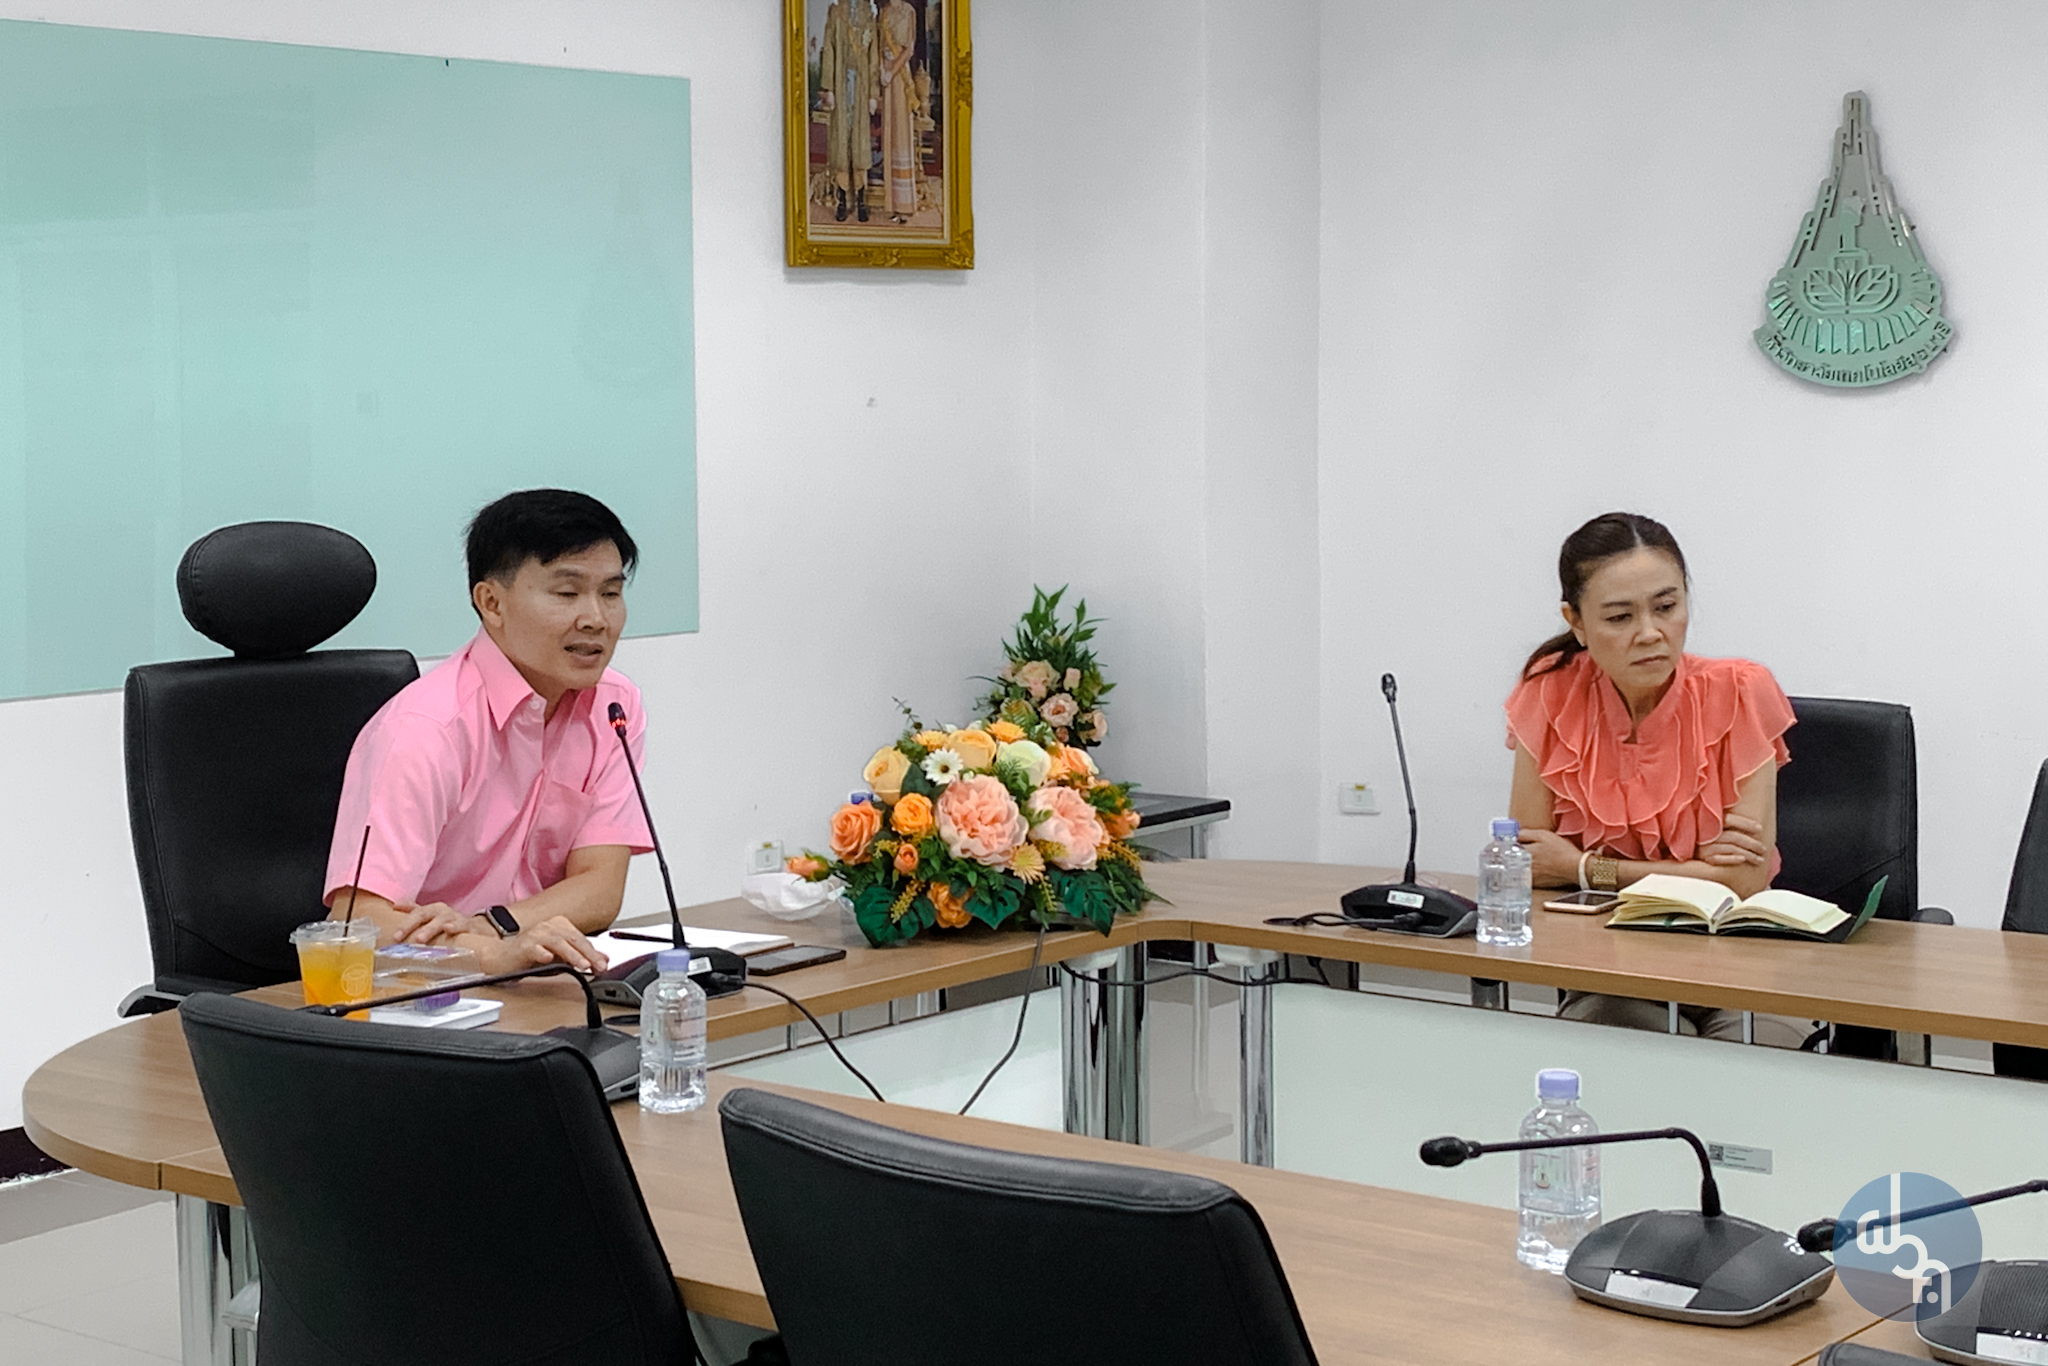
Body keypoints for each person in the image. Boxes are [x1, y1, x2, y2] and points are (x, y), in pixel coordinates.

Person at [1504, 512, 1808, 1046]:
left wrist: (1584, 867)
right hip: (1611, 967)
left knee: (1754, 1059)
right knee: (1630, 1050)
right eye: (1620, 617)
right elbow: (1529, 865)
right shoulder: (1550, 693)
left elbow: (1740, 882)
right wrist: (1693, 871)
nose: (1650, 634)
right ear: (1576, 622)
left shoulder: (1741, 692)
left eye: (1666, 607)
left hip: (1739, 963)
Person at [322, 489, 653, 976]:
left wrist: (492, 927)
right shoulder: (425, 729)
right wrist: (492, 955)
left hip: (536, 976)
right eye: (567, 594)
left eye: (610, 593)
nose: (596, 620)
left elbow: (600, 888)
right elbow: (358, 922)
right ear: (492, 603)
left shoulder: (614, 707)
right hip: (425, 992)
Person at [818, 0, 878, 223]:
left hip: (861, 88)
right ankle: (842, 200)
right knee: (841, 144)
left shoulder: (868, 13)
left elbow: (873, 57)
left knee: (860, 145)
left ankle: (861, 200)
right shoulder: (836, 12)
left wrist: (873, 94)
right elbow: (829, 49)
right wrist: (829, 88)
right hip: (841, 85)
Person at [878, 0, 920, 221]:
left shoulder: (908, 11)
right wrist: (881, 70)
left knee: (902, 136)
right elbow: (878, 47)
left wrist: (891, 71)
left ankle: (905, 206)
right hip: (886, 79)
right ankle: (893, 204)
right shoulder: (883, 12)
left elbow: (909, 48)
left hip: (900, 78)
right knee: (890, 138)